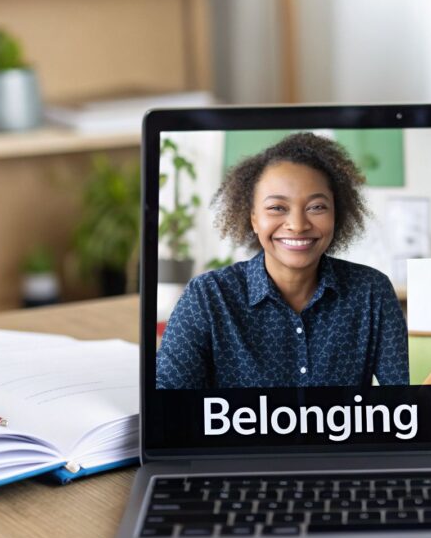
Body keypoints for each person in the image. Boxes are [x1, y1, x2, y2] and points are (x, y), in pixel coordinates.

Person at [156, 133, 409, 389]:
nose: (297, 225)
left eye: (316, 207)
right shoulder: (208, 297)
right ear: (254, 219)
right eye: (277, 208)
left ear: (336, 214)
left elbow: (409, 397)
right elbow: (166, 403)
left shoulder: (371, 292)